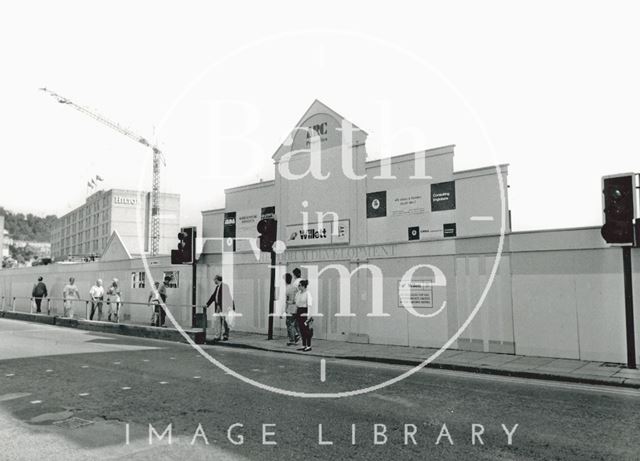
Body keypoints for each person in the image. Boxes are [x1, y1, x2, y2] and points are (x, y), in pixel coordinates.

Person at [205, 275, 233, 342]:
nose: (214, 281)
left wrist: (229, 307)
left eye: (214, 280)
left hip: (223, 307)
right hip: (218, 307)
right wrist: (207, 304)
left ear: (217, 279)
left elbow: (228, 296)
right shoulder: (217, 287)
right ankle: (217, 336)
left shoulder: (225, 286)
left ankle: (225, 335)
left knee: (225, 321)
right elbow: (213, 296)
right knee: (217, 321)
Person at [295, 279, 314, 352]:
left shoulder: (307, 294)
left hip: (305, 311)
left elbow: (309, 305)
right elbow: (297, 303)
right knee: (301, 329)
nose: (298, 287)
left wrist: (309, 316)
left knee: (306, 329)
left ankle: (308, 346)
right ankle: (303, 345)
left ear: (303, 286)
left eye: (299, 285)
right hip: (299, 311)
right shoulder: (298, 293)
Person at [284, 273, 300, 346]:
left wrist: (284, 310)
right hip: (296, 308)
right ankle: (297, 334)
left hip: (290, 308)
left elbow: (286, 301)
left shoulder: (286, 289)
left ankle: (292, 340)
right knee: (295, 323)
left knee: (289, 324)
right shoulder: (295, 288)